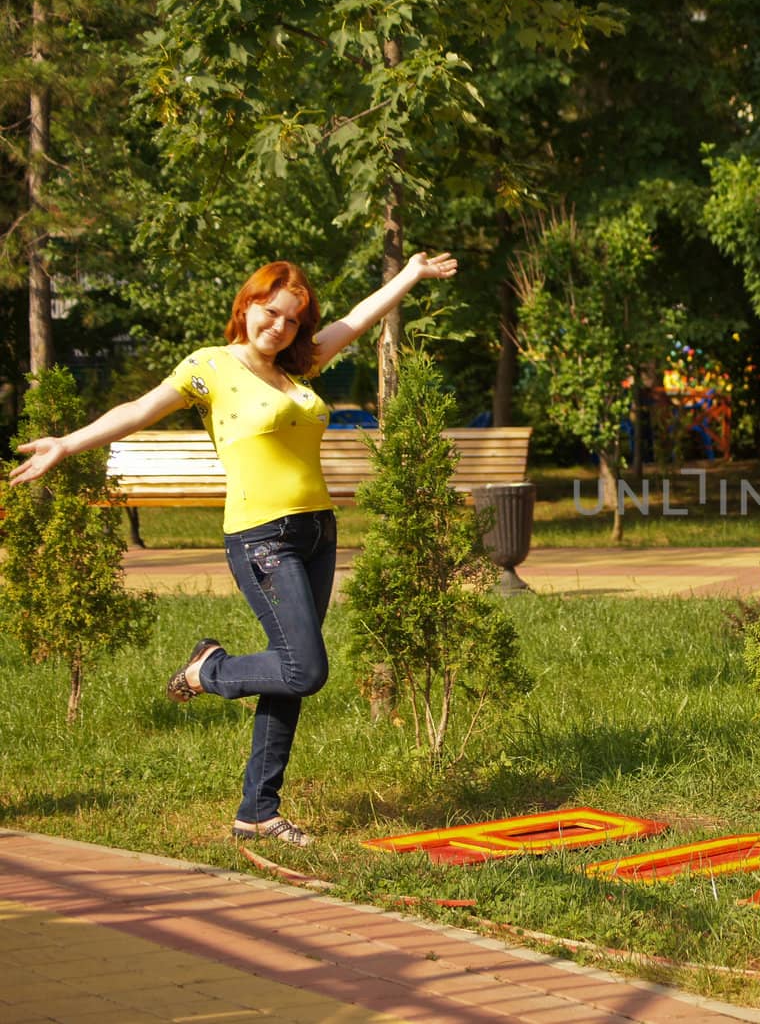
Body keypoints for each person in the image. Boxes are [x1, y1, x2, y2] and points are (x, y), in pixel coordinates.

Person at [7, 252, 458, 846]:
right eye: (271, 313)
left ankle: (257, 812)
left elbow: (355, 321)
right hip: (261, 536)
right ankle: (207, 670)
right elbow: (140, 409)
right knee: (306, 668)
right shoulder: (211, 367)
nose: (280, 327)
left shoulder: (297, 370)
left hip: (317, 532)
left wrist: (411, 274)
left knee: (289, 675)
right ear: (246, 307)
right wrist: (67, 444)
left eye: (293, 320)